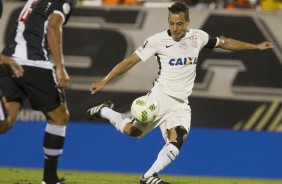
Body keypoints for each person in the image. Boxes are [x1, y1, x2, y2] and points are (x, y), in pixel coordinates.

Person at [86, 1, 273, 184]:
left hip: (181, 104)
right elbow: (129, 61)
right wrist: (104, 81)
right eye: (171, 23)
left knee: (178, 138)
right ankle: (104, 110)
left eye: (179, 24)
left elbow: (225, 43)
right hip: (159, 98)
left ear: (188, 22)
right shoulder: (156, 41)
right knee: (131, 131)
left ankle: (149, 176)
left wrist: (255, 46)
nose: (175, 28)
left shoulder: (198, 37)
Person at [0, 0, 76, 183]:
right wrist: (60, 67)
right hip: (34, 64)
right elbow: (52, 27)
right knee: (59, 117)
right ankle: (50, 179)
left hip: (8, 60)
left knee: (5, 124)